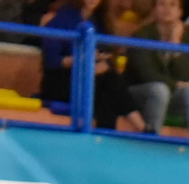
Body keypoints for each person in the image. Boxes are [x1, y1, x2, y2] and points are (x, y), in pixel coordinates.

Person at [40, 0, 145, 131]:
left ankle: (104, 138)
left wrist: (102, 65)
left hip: (94, 80)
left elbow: (108, 56)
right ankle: (141, 127)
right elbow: (52, 61)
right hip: (61, 81)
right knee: (110, 81)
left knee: (107, 93)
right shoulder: (62, 18)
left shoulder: (100, 21)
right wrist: (85, 61)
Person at [126, 0, 189, 138]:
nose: (167, 9)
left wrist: (175, 46)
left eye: (172, 5)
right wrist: (178, 84)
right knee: (160, 90)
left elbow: (186, 75)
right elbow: (145, 74)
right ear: (153, 9)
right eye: (162, 4)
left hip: (171, 94)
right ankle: (150, 142)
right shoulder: (141, 34)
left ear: (180, 11)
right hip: (140, 93)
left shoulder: (187, 37)